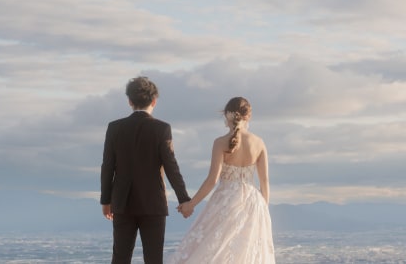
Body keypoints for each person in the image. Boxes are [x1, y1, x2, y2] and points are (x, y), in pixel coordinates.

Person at [169, 96, 275, 263]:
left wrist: (191, 204)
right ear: (248, 116)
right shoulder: (259, 143)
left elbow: (212, 180)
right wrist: (264, 210)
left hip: (226, 201)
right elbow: (265, 182)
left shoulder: (220, 143)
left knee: (216, 249)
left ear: (227, 116)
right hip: (254, 204)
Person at [101, 76, 192, 264]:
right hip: (153, 203)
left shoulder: (114, 127)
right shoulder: (162, 129)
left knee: (120, 257)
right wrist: (184, 199)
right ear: (154, 101)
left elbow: (107, 166)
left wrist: (106, 200)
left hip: (122, 203)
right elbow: (171, 166)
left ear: (129, 101)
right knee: (153, 258)